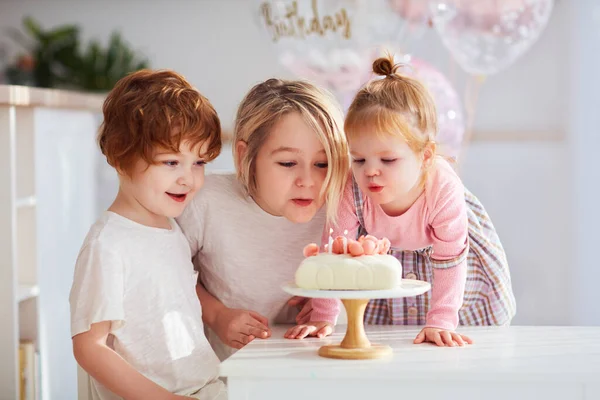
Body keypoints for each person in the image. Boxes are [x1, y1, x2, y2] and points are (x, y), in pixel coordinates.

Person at [287, 55, 516, 347]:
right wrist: (323, 317)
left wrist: (441, 321)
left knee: (458, 335)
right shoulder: (352, 185)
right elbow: (335, 252)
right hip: (387, 252)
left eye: (388, 159)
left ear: (426, 157)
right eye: (358, 159)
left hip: (449, 257)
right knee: (391, 337)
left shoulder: (443, 188)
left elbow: (449, 260)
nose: (370, 171)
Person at [69, 70, 227, 399]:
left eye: (198, 163)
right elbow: (90, 347)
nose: (189, 179)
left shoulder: (170, 228)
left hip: (205, 387)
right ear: (120, 157)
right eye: (171, 163)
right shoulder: (109, 245)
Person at [177, 78, 350, 360]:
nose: (307, 180)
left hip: (321, 369)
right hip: (234, 375)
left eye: (323, 164)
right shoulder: (207, 202)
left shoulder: (342, 207)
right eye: (287, 163)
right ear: (246, 155)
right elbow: (167, 274)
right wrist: (216, 314)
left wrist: (327, 300)